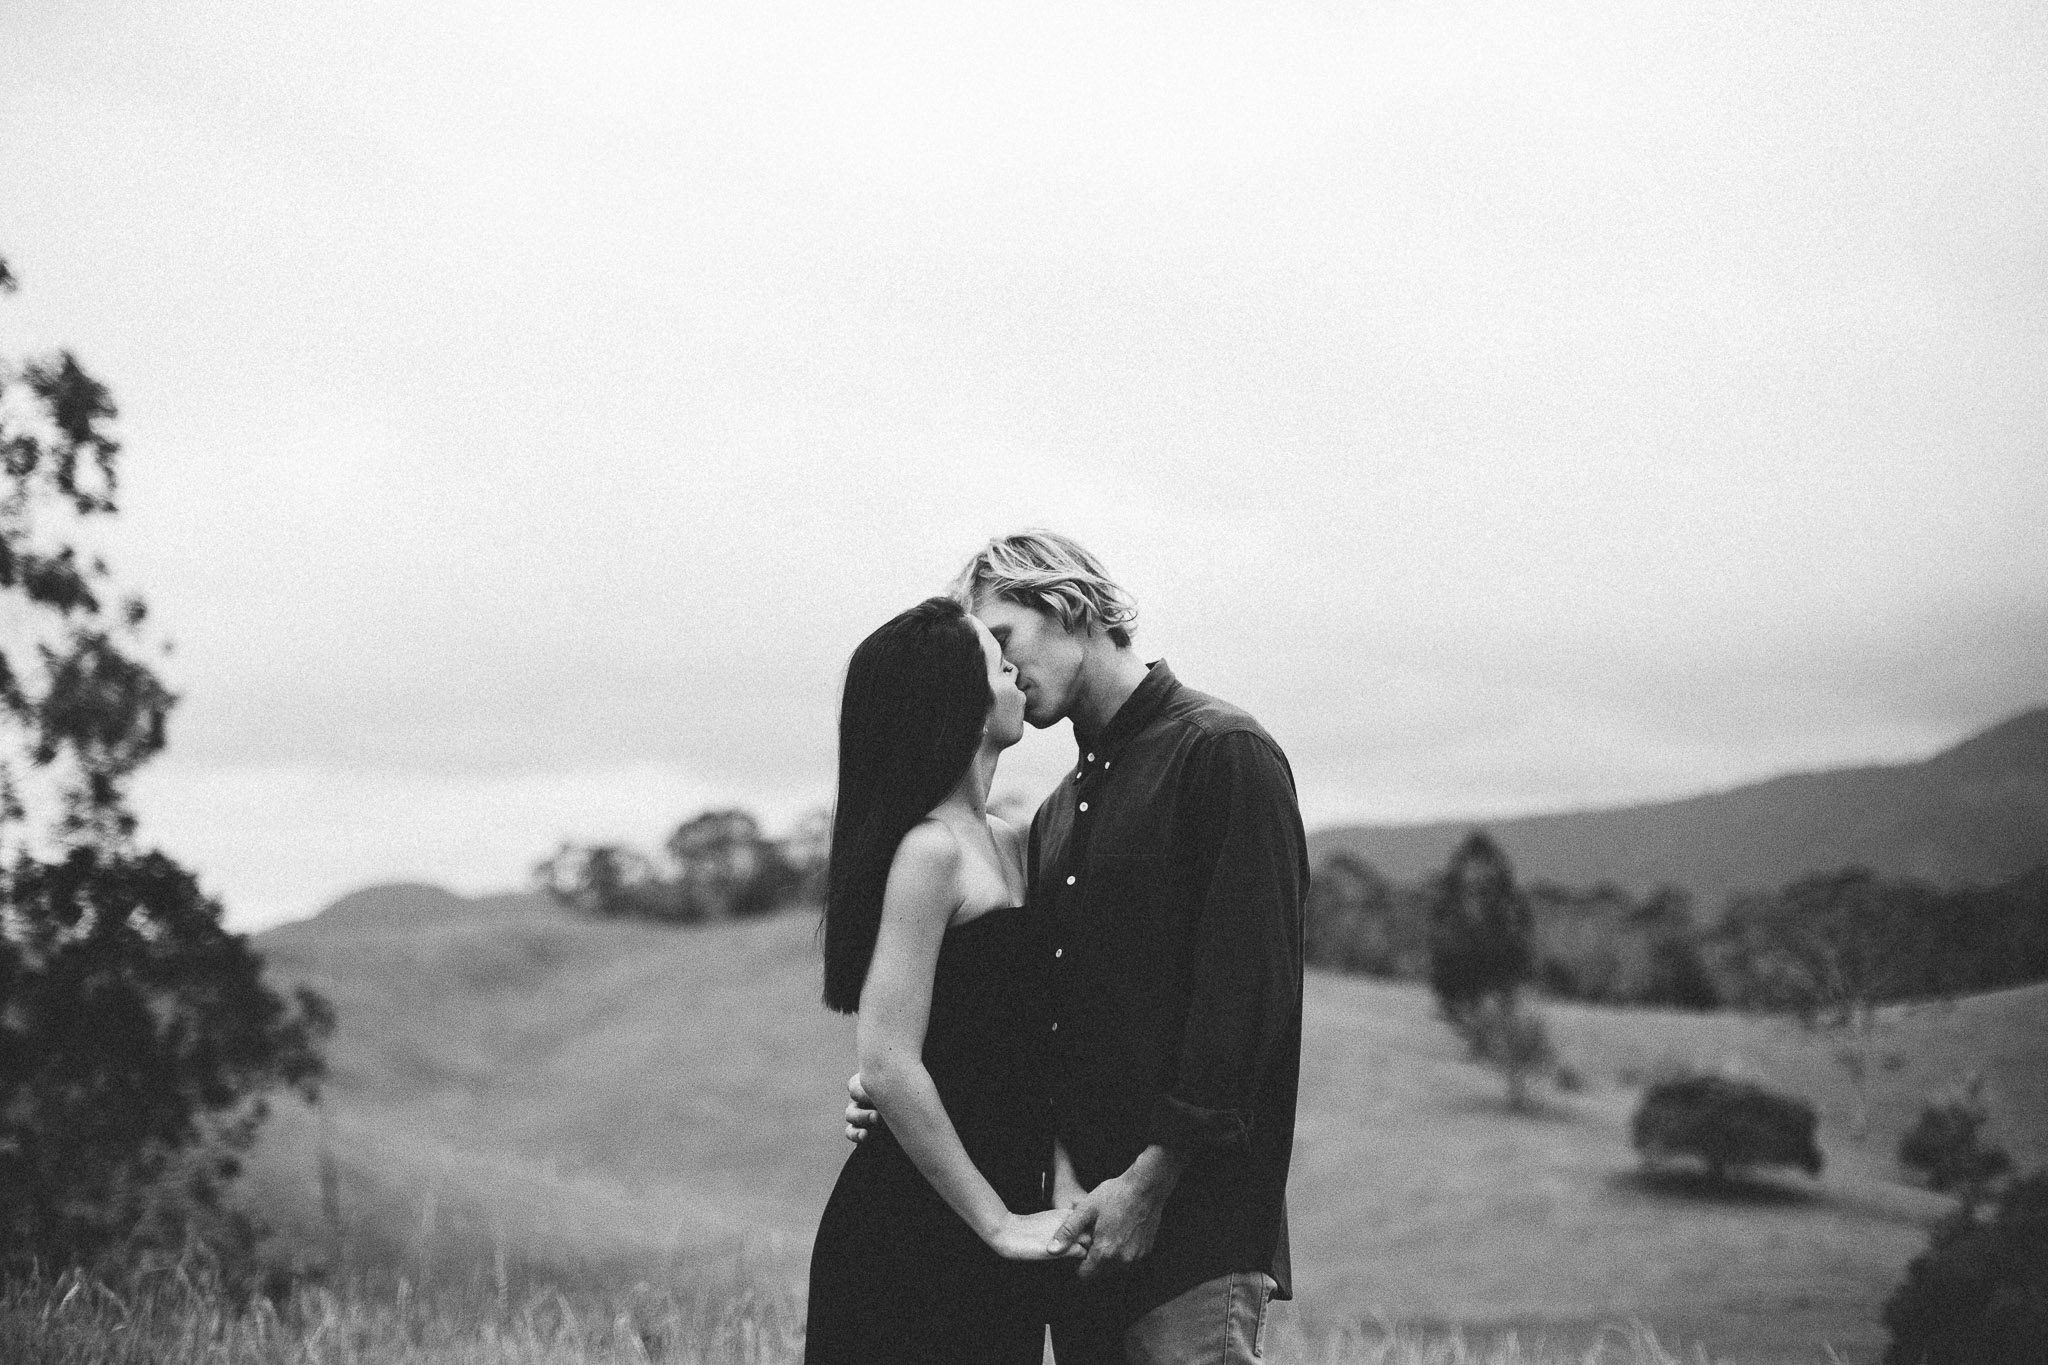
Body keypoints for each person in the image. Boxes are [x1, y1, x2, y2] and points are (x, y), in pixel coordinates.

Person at [847, 531, 1309, 1365]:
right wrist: (903, 1082)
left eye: (1002, 639)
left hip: (1189, 1238)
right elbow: (1032, 1021)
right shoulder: (1055, 815)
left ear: (1065, 602)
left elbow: (1246, 1007)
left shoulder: (1221, 753)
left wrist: (1147, 1184)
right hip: (1074, 1245)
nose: (997, 667)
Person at [805, 595, 1085, 1365]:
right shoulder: (930, 851)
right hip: (916, 1232)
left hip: (997, 1222)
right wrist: (997, 1221)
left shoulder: (1008, 840)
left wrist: (1052, 1184)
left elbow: (1031, 1046)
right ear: (957, 698)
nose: (1016, 669)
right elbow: (888, 1060)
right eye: (997, 660)